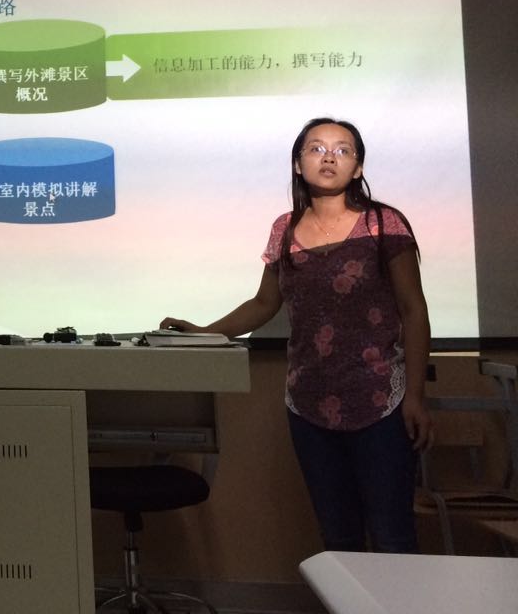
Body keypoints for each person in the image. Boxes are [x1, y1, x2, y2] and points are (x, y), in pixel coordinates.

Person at [162, 117, 432, 553]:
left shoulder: (384, 223)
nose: (329, 157)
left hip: (381, 401)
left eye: (342, 150)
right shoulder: (284, 229)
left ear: (358, 168)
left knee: (393, 536)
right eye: (316, 148)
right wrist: (205, 332)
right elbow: (263, 303)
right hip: (307, 405)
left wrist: (415, 396)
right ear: (297, 163)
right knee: (338, 538)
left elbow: (414, 310)